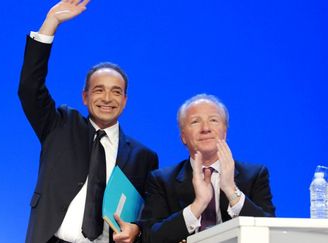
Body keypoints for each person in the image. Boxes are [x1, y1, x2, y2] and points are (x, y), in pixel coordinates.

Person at [18, 1, 159, 242]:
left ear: (125, 101)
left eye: (116, 92)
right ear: (84, 97)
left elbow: (149, 215)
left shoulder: (144, 157)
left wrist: (138, 229)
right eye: (98, 90)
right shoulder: (60, 126)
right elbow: (30, 88)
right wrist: (50, 22)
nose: (107, 98)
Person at [139, 94, 275, 243]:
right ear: (183, 137)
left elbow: (269, 231)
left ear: (225, 131)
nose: (205, 129)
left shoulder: (254, 175)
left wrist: (231, 190)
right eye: (195, 122)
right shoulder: (162, 180)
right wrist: (198, 205)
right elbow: (151, 237)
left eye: (213, 120)